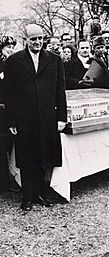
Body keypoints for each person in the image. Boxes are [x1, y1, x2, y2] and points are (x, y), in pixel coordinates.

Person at [4, 24, 67, 211]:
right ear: (26, 40)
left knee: (44, 156)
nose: (38, 42)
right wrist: (12, 120)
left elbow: (60, 90)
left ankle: (39, 194)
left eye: (40, 38)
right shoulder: (14, 61)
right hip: (25, 118)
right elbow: (9, 94)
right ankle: (27, 197)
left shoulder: (54, 60)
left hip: (47, 117)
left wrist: (61, 118)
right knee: (26, 157)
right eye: (33, 39)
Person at [0, 36, 17, 193]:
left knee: (8, 145)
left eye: (12, 47)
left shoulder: (14, 64)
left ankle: (8, 180)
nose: (10, 50)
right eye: (7, 47)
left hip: (10, 110)